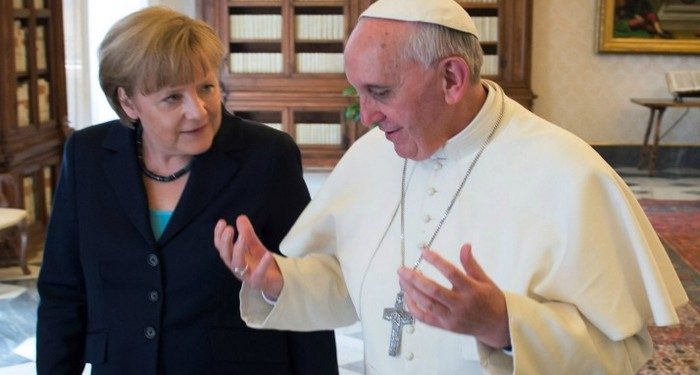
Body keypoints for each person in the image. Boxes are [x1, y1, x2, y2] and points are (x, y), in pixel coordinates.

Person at [214, 0, 688, 373]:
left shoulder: (570, 173)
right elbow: (353, 282)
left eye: (380, 92)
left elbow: (622, 353)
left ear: (452, 78)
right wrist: (280, 281)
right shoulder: (371, 156)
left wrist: (504, 325)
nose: (365, 116)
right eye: (358, 91)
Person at [36, 6, 338, 375]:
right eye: (172, 98)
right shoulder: (87, 155)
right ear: (128, 102)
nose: (198, 111)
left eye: (206, 87)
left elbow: (305, 286)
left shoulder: (267, 156)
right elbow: (62, 292)